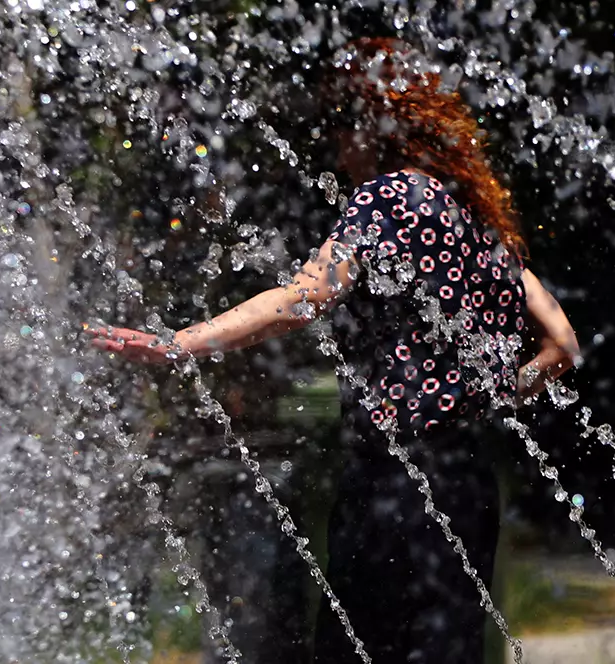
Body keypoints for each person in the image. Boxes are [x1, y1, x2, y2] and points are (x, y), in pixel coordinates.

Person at [87, 38, 581, 663]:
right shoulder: (471, 217)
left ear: (373, 126)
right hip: (465, 478)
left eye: (343, 129)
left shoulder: (386, 199)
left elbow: (304, 297)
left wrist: (183, 343)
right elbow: (562, 343)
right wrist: (485, 397)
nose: (339, 149)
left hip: (392, 485)